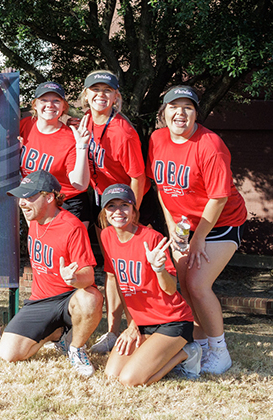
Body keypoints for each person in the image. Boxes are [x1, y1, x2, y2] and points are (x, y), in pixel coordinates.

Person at [149, 86, 247, 374]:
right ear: (163, 112)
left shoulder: (210, 145)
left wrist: (199, 238)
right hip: (183, 226)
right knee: (186, 288)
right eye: (173, 106)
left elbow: (219, 198)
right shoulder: (156, 139)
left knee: (198, 285)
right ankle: (201, 346)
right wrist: (173, 231)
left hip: (220, 223)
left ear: (196, 113)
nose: (180, 113)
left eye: (187, 107)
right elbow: (163, 189)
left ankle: (220, 351)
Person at [0, 170, 102, 376]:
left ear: (49, 197)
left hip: (68, 297)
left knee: (91, 298)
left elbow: (89, 276)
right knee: (8, 354)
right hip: (40, 300)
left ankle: (76, 348)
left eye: (29, 197)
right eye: (21, 197)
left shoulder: (72, 227)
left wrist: (73, 278)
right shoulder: (34, 219)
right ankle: (57, 333)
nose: (22, 203)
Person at [97, 184, 202, 385]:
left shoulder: (151, 238)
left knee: (130, 380)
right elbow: (121, 284)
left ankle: (186, 353)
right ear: (104, 212)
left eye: (124, 205)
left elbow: (171, 288)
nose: (118, 211)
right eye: (111, 206)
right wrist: (132, 325)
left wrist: (159, 268)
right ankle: (161, 350)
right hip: (143, 323)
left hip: (172, 321)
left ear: (134, 210)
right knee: (111, 374)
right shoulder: (106, 236)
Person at [80, 70, 147, 354]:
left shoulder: (122, 131)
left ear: (116, 96)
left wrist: (131, 213)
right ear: (85, 95)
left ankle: (137, 330)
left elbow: (138, 177)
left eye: (107, 90)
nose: (100, 95)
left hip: (126, 203)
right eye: (94, 89)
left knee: (130, 271)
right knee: (110, 269)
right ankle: (111, 332)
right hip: (102, 200)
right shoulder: (83, 122)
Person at [19, 82, 92, 224]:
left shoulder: (70, 138)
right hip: (35, 200)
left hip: (67, 204)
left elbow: (79, 184)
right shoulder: (25, 125)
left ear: (64, 107)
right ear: (34, 105)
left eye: (56, 101)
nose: (50, 105)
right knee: (38, 244)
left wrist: (82, 146)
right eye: (44, 100)